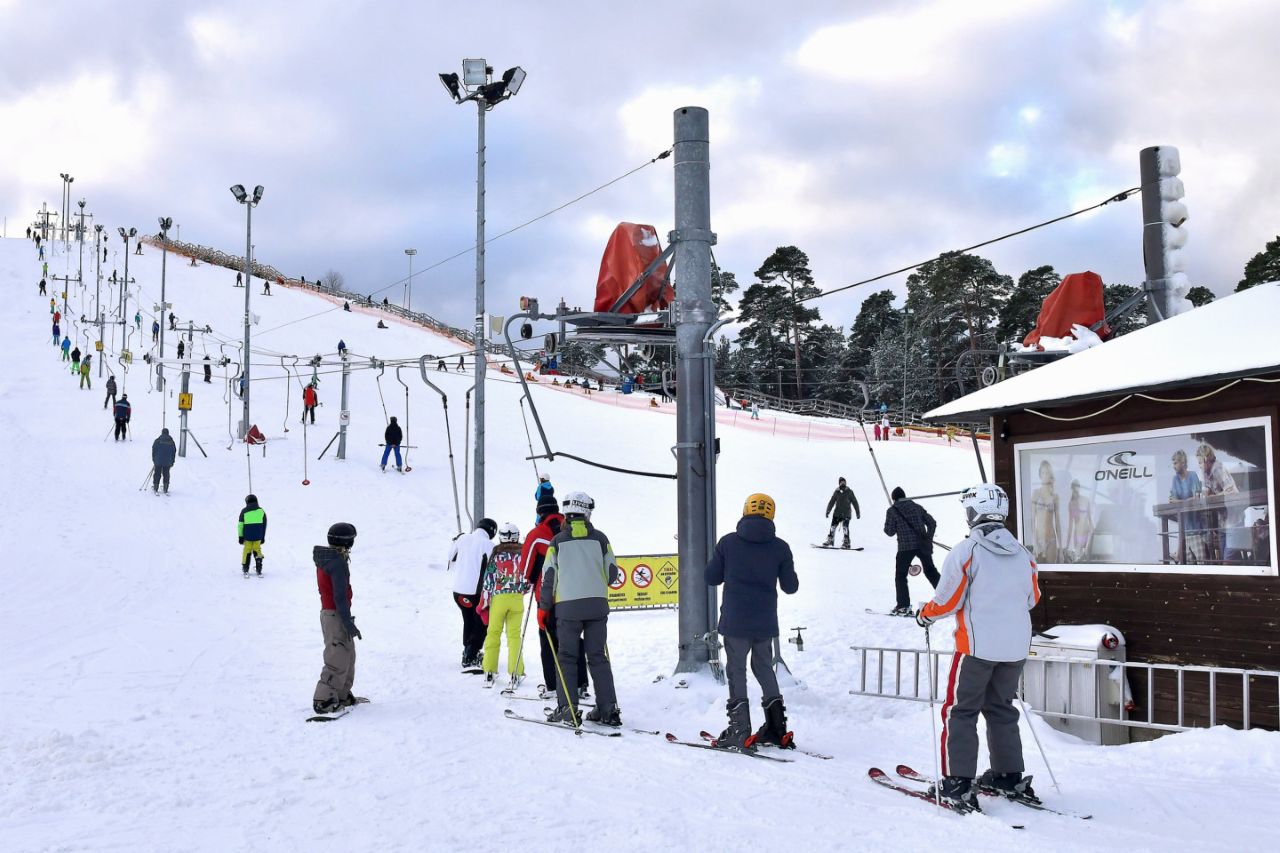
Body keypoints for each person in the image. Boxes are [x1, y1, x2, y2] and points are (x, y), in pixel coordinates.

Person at [915, 484, 1041, 812]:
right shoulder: (1023, 554)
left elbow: (947, 600)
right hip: (1014, 649)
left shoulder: (967, 550)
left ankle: (957, 783)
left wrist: (925, 614)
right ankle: (1007, 775)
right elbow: (1033, 598)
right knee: (1001, 708)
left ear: (974, 512)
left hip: (976, 647)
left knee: (960, 711)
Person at [705, 493, 799, 751]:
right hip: (765, 622)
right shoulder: (780, 547)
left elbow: (711, 577)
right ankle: (777, 728)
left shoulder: (728, 543)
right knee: (763, 667)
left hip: (736, 620)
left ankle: (739, 730)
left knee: (736, 670)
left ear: (746, 510)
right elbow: (791, 587)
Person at [539, 491, 623, 727]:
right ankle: (608, 709)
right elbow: (612, 575)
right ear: (587, 512)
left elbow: (549, 578)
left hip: (568, 609)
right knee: (597, 657)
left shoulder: (557, 542)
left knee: (567, 657)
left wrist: (544, 608)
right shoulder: (601, 539)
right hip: (597, 606)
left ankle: (567, 708)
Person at [520, 493, 588, 699]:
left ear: (539, 513)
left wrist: (532, 578)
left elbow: (525, 568)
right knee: (573, 636)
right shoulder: (573, 530)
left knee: (548, 638)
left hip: (548, 596)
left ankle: (552, 686)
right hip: (575, 592)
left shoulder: (537, 534)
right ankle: (580, 684)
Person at [312, 522, 363, 714]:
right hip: (336, 614)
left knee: (348, 654)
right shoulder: (337, 563)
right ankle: (323, 699)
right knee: (337, 656)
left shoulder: (330, 559)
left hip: (334, 613)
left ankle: (340, 694)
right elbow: (339, 595)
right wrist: (347, 620)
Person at [479, 522, 529, 686]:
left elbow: (488, 580)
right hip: (516, 599)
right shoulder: (523, 554)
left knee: (493, 633)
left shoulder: (496, 554)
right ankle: (516, 672)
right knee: (514, 636)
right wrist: (521, 590)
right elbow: (528, 578)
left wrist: (485, 601)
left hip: (498, 599)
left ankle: (489, 670)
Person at [884, 486, 941, 616]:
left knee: (901, 575)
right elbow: (932, 523)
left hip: (905, 547)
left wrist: (890, 521)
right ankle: (947, 598)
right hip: (922, 545)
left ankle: (903, 606)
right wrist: (928, 537)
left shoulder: (892, 511)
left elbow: (889, 532)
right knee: (931, 571)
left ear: (894, 499)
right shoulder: (916, 506)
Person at [449, 519, 497, 668]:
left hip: (458, 592)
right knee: (481, 622)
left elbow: (450, 559)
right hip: (475, 592)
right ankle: (472, 654)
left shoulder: (462, 538)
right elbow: (494, 568)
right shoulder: (489, 545)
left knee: (468, 619)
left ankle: (467, 650)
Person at [1167, 451, 1202, 563]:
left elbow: (1196, 498)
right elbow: (1172, 501)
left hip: (1197, 530)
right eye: (1173, 463)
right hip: (1184, 531)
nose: (1173, 466)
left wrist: (1179, 501)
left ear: (1183, 462)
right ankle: (1177, 554)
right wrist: (1184, 501)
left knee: (1202, 563)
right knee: (1188, 566)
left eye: (1175, 463)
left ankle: (1177, 554)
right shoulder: (1175, 479)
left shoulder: (1193, 475)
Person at [1029, 459, 1061, 563]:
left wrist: (1060, 549)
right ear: (1040, 475)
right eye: (1043, 472)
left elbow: (1058, 523)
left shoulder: (1055, 497)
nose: (1045, 475)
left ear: (1050, 474)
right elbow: (1032, 520)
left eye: (1047, 472)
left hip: (1052, 539)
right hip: (1038, 539)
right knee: (1038, 571)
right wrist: (1034, 542)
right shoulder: (1036, 494)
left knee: (1052, 571)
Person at [823, 476, 861, 548]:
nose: (843, 483)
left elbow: (855, 502)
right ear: (839, 483)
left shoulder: (849, 492)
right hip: (837, 513)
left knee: (845, 527)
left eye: (844, 482)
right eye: (841, 482)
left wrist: (858, 512)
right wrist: (828, 511)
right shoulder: (836, 492)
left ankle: (846, 542)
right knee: (833, 527)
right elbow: (831, 502)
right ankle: (830, 540)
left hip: (846, 514)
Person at [1064, 479, 1095, 563]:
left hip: (1086, 533)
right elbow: (1070, 525)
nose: (1076, 489)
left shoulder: (1086, 500)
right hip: (1077, 535)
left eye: (1077, 486)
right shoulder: (1071, 504)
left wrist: (1094, 532)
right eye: (1074, 487)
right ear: (1072, 489)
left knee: (1085, 557)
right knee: (1078, 557)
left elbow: (1090, 519)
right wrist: (1067, 545)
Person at [237, 494, 267, 577]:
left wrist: (240, 536)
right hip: (258, 536)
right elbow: (264, 525)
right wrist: (262, 537)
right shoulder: (261, 511)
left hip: (247, 537)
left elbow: (240, 525)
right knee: (257, 550)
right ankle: (259, 568)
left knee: (247, 551)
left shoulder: (244, 511)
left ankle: (245, 569)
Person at [151, 427, 176, 494]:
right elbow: (173, 452)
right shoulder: (171, 441)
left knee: (157, 474)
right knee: (166, 474)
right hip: (168, 462)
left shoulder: (157, 440)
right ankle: (165, 488)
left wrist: (154, 460)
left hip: (158, 461)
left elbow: (154, 451)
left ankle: (156, 487)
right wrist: (172, 461)